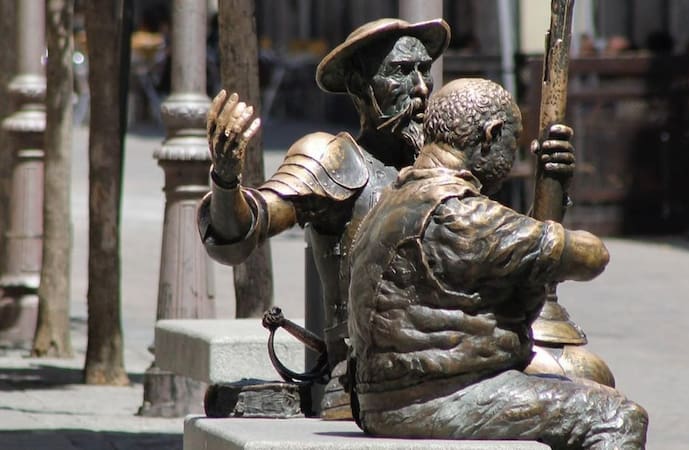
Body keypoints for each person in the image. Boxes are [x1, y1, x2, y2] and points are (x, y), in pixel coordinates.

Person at [347, 78, 648, 449]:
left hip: (383, 397)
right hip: (437, 398)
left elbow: (502, 248)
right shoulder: (461, 214)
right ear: (490, 135)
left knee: (585, 379)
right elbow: (591, 257)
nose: (512, 158)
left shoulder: (395, 196)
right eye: (513, 142)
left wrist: (554, 189)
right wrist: (554, 225)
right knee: (617, 417)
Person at [196, 18, 451, 417]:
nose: (421, 88)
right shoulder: (333, 160)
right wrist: (227, 183)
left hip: (450, 361)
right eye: (401, 71)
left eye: (424, 70)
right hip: (365, 382)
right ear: (358, 86)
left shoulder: (444, 167)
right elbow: (238, 234)